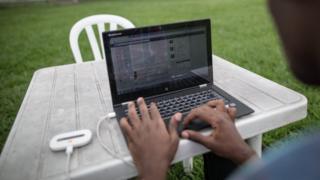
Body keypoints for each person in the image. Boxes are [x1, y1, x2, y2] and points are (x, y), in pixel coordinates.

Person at [119, 0, 320, 179]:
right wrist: (243, 152)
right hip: (242, 155)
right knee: (220, 155)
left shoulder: (302, 160)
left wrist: (152, 171)